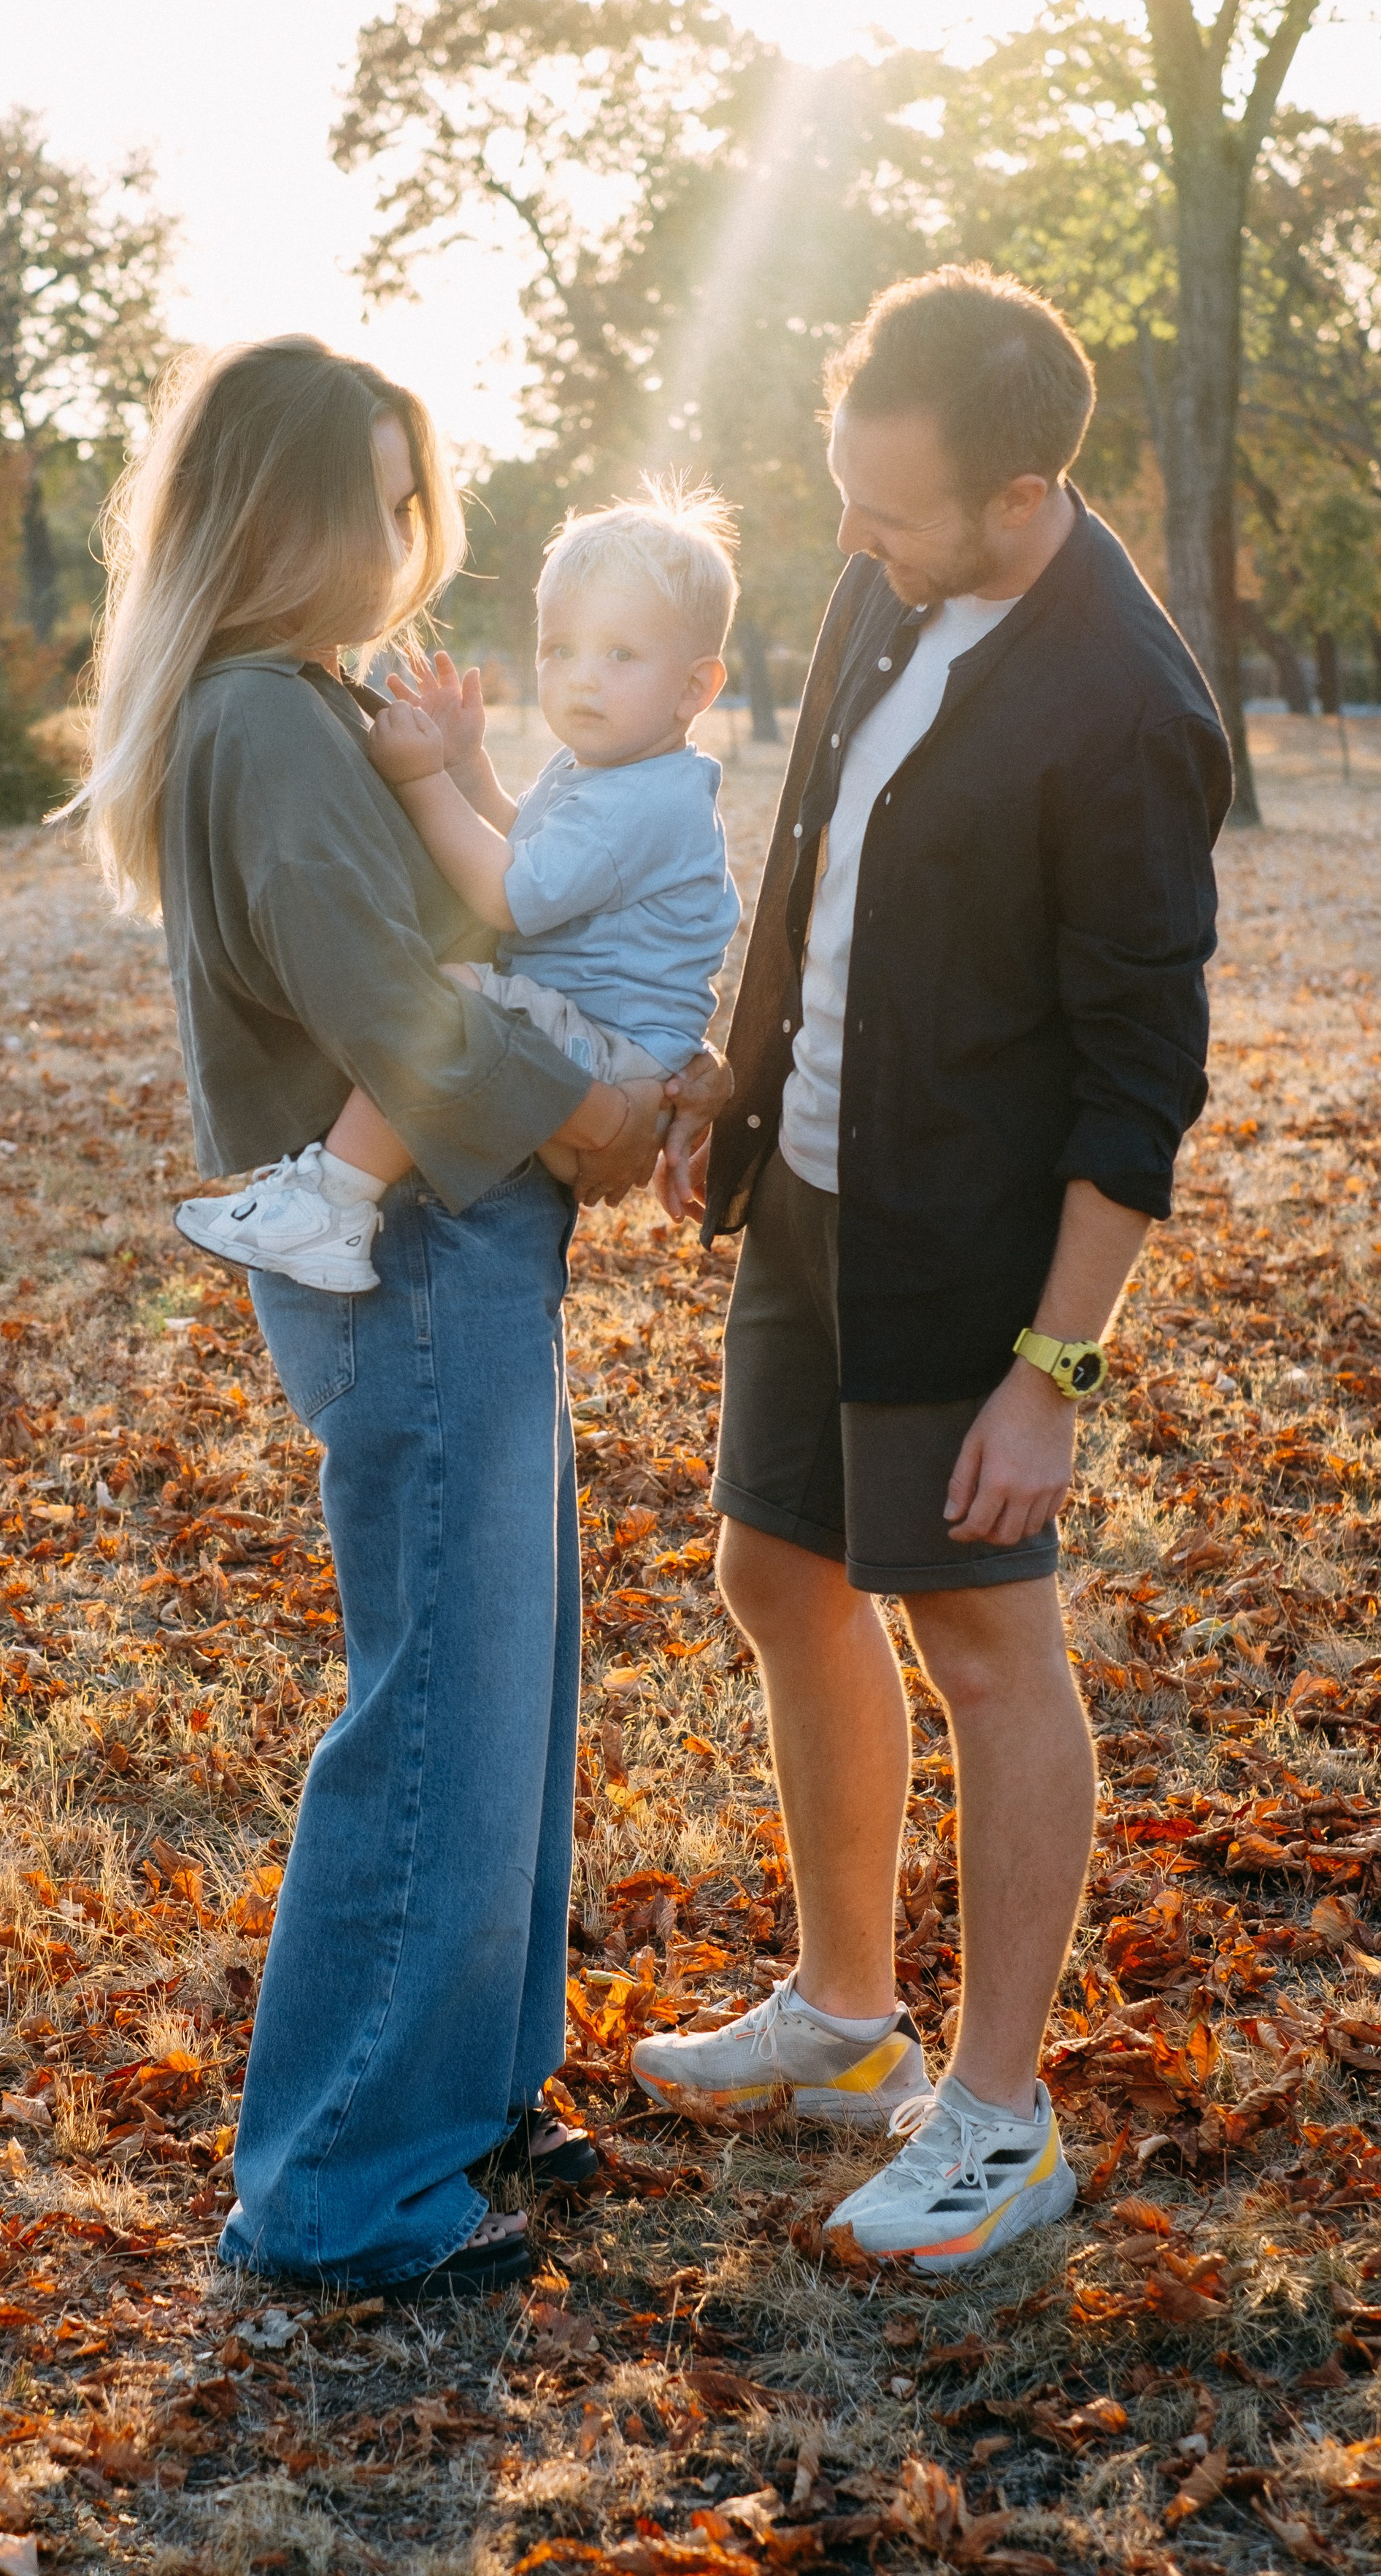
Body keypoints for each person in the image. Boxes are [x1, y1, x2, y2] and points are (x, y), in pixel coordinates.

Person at [67, 334, 723, 2299]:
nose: (407, 532)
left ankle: (464, 2102)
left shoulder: (317, 702)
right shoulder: (261, 722)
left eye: (410, 487)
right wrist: (599, 1111)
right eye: (372, 490)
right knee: (439, 1697)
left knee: (504, 1684)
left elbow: (488, 916)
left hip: (463, 1243)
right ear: (277, 511)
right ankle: (342, 2184)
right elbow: (397, 1006)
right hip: (410, 1255)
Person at [633, 266, 1233, 2274]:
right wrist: (737, 1065)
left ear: (1024, 490)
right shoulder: (887, 583)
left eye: (891, 515)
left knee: (987, 1649)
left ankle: (997, 2115)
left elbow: (1143, 1087)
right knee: (775, 1571)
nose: (856, 549)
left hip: (973, 1257)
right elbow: (818, 852)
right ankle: (842, 2016)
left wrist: (1049, 1376)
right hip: (810, 1196)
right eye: (845, 502)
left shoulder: (1127, 711)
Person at [175, 485, 742, 1291]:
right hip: (605, 1040)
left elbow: (511, 895)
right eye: (560, 650)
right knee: (462, 1006)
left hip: (612, 1055)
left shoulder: (644, 801)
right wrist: (472, 767)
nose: (581, 680)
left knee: (448, 1001)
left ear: (694, 689)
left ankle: (335, 1203)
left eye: (620, 655)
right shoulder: (620, 775)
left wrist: (424, 779)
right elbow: (528, 850)